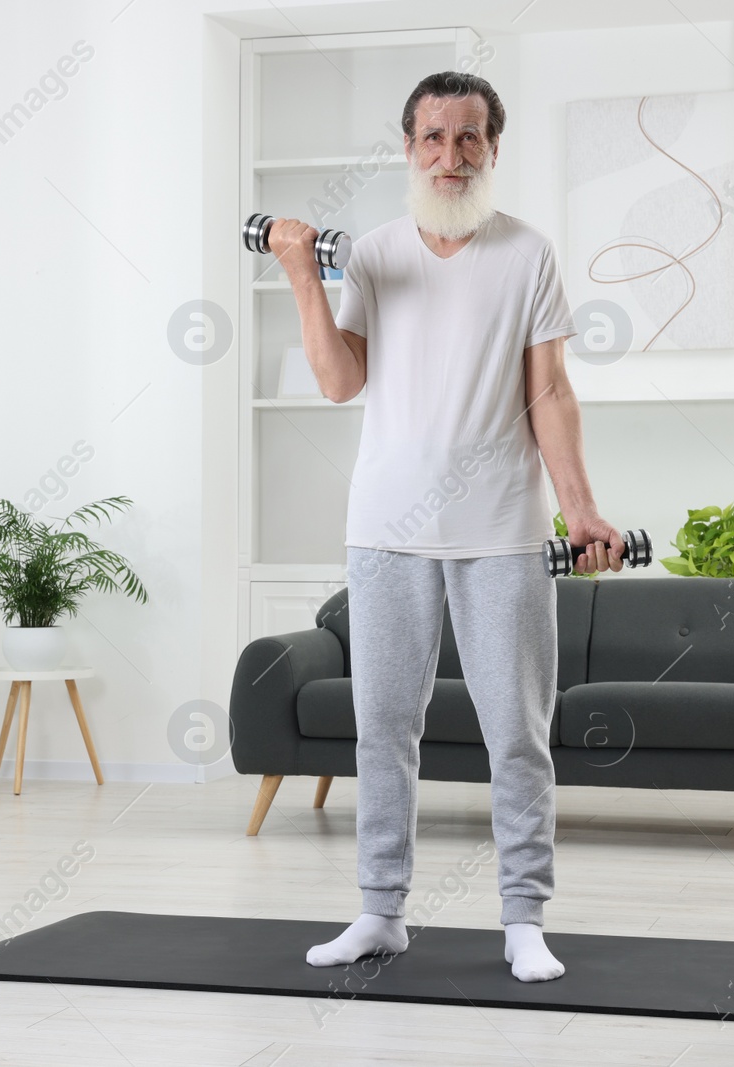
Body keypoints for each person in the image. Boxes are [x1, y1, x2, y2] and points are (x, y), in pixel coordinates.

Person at [267, 71, 626, 984]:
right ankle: (380, 912)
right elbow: (341, 380)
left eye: (470, 138)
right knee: (383, 727)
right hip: (385, 527)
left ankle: (523, 918)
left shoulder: (527, 254)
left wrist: (581, 508)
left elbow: (549, 391)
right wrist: (304, 277)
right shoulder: (377, 253)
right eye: (434, 138)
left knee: (518, 730)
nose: (451, 155)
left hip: (503, 528)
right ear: (409, 149)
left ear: (494, 149)